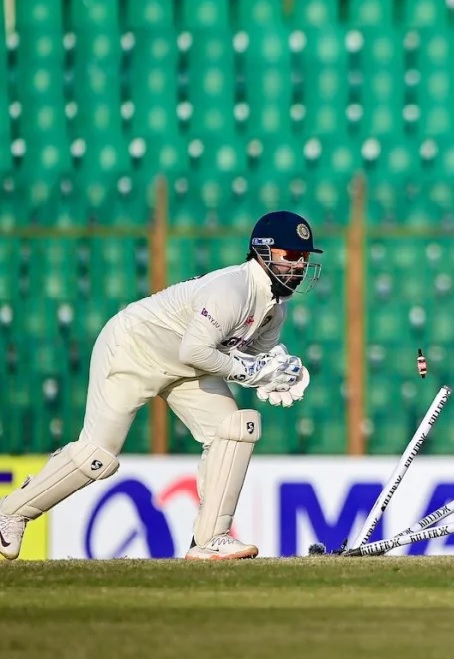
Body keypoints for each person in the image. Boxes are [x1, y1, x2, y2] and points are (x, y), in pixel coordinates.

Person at [0, 211, 322, 561]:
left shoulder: (275, 310)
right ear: (263, 250)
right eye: (292, 255)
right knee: (97, 456)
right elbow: (196, 350)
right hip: (133, 349)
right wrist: (251, 373)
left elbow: (249, 359)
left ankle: (210, 539)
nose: (299, 266)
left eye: (304, 258)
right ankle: (10, 514)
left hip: (187, 370)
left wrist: (276, 374)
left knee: (238, 428)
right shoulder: (232, 289)